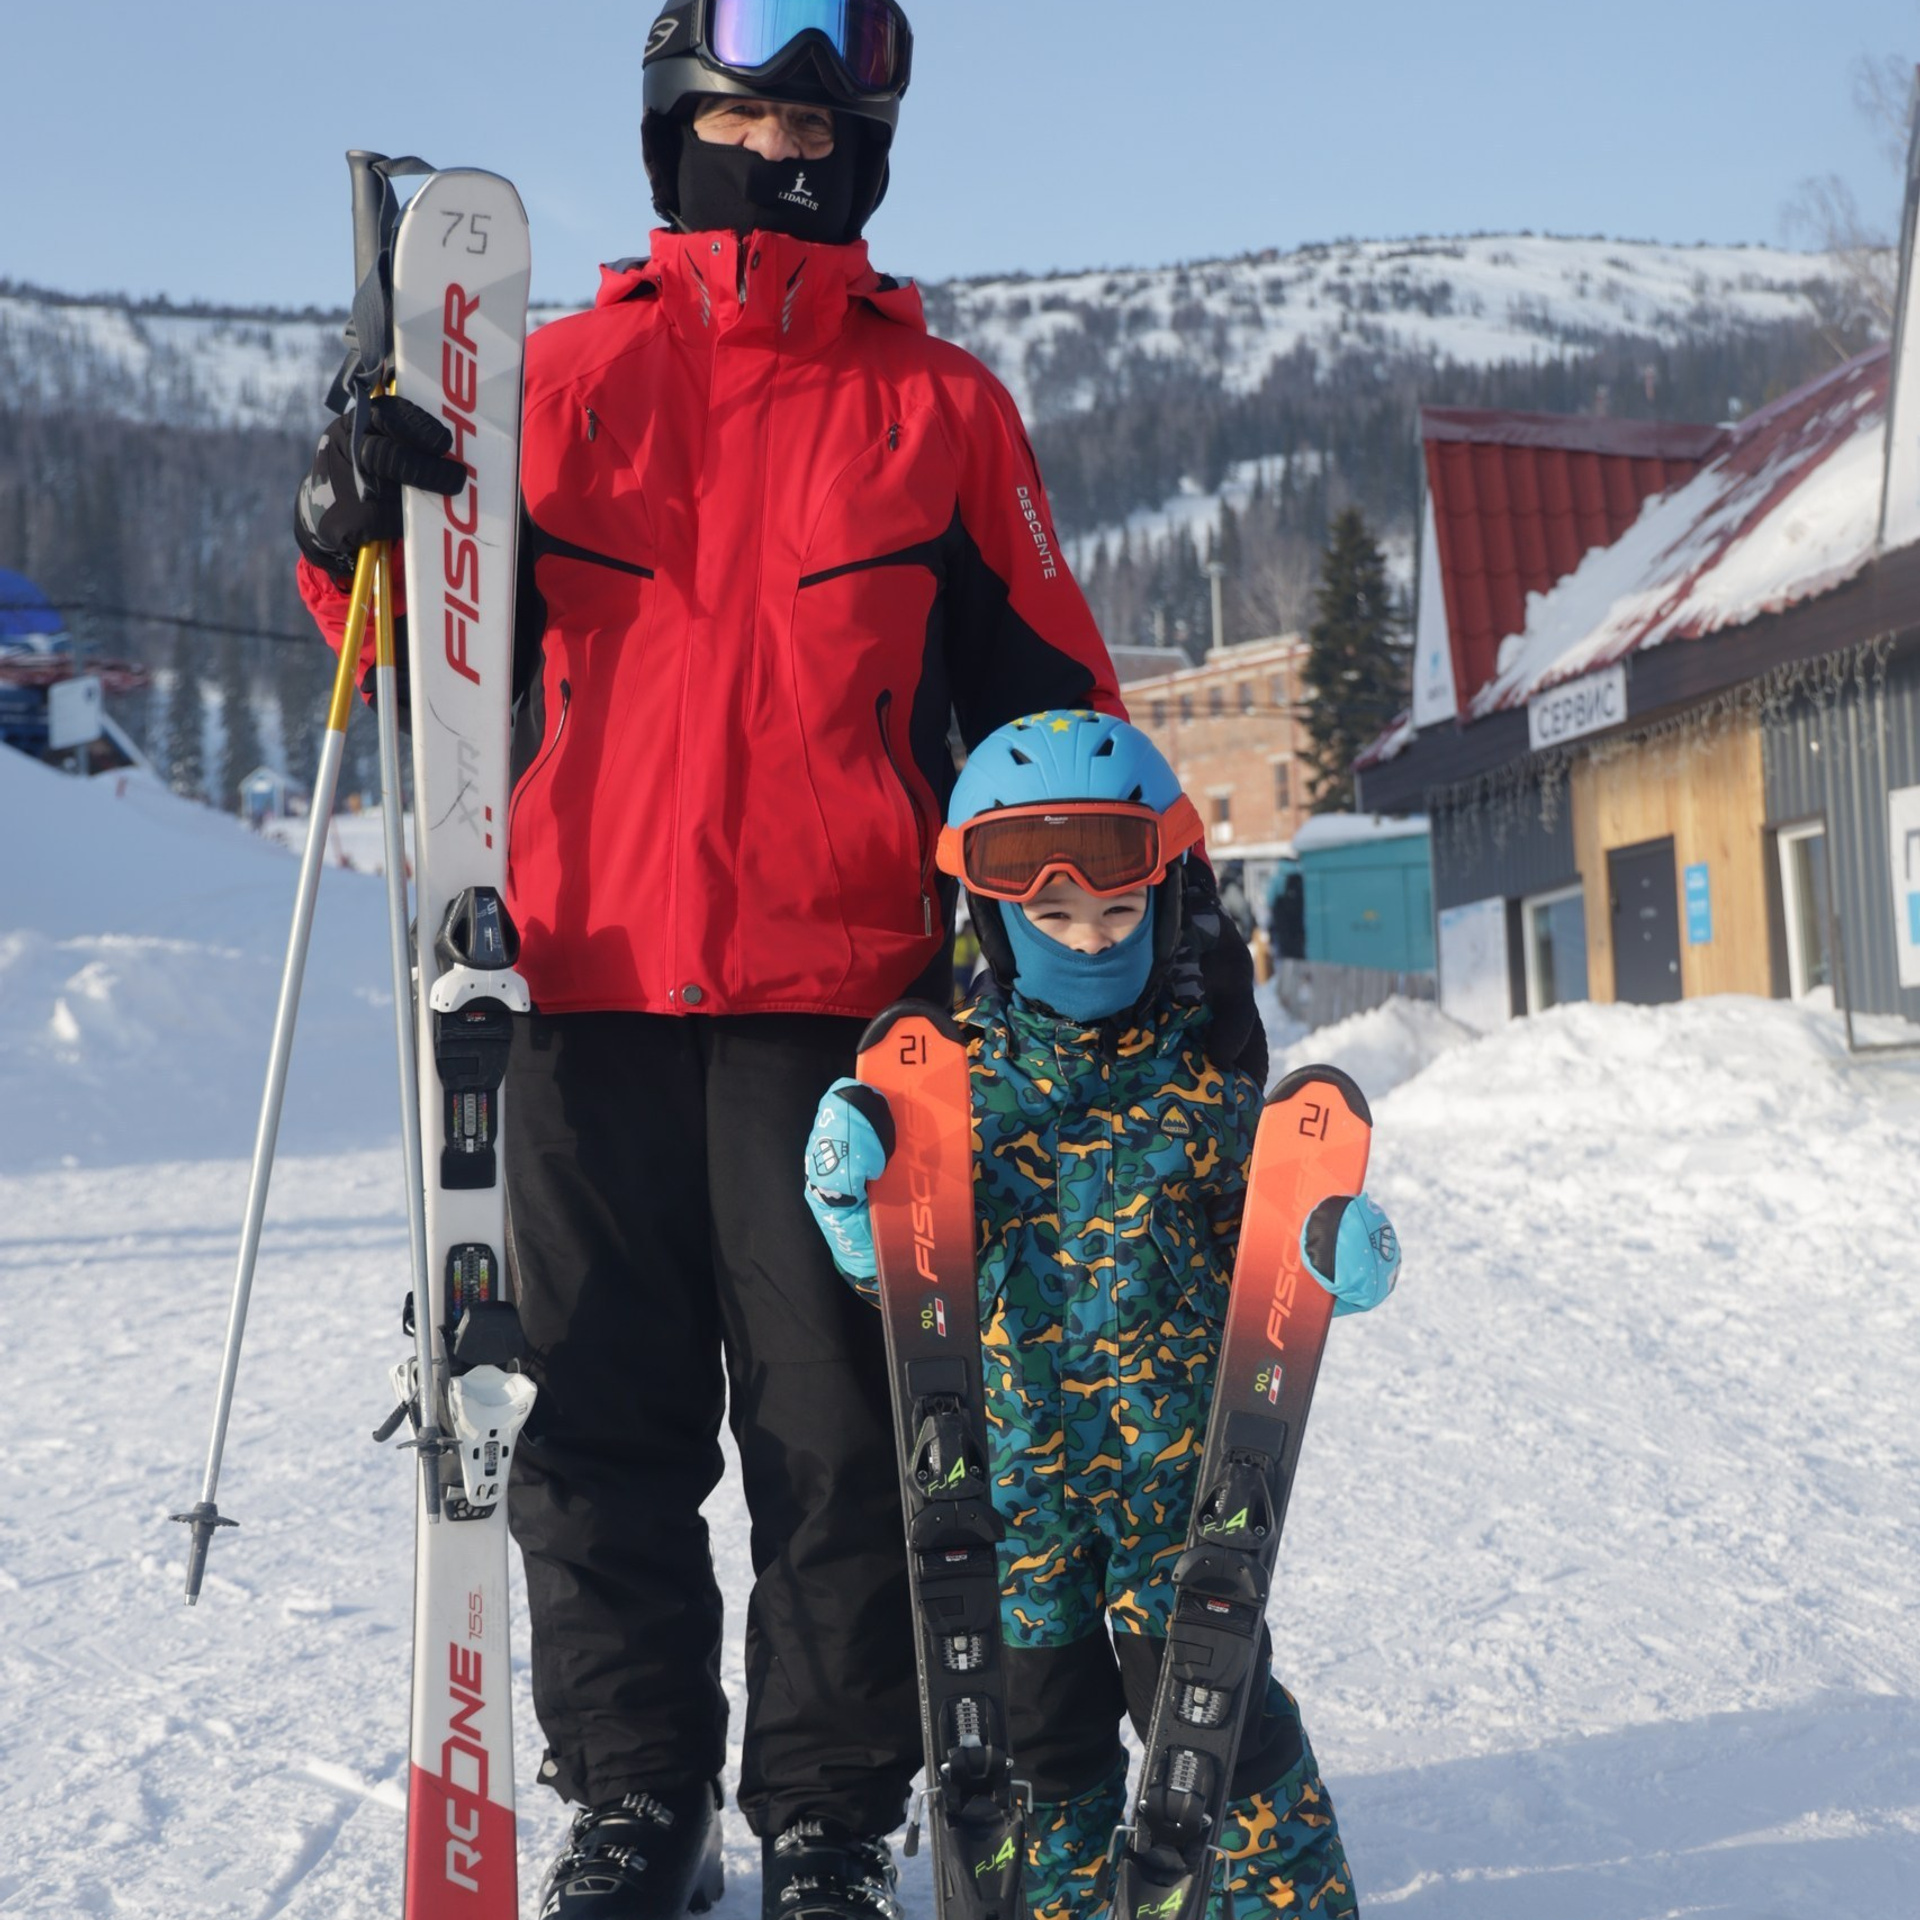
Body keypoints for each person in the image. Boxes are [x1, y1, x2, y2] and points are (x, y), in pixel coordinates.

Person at [285, 7, 1216, 1918]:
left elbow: (1058, 717)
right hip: (574, 991)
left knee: (841, 1437)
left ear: (865, 147)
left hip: (845, 1014)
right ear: (675, 130)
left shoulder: (943, 411)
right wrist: (349, 519)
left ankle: (826, 1819)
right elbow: (410, 672)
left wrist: (1151, 928)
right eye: (747, 114)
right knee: (593, 1427)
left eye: (818, 120)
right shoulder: (547, 379)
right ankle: (633, 1800)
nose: (783, 151)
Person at [803, 712, 1401, 1920]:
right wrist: (849, 1208)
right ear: (996, 922)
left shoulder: (1204, 1090)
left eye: (1119, 916)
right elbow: (906, 1285)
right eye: (1056, 919)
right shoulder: (948, 1097)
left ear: (1170, 906)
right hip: (1009, 1510)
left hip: (1173, 1510)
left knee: (1220, 1730)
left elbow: (1268, 1254)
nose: (1089, 941)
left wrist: (1332, 1246)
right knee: (1040, 1753)